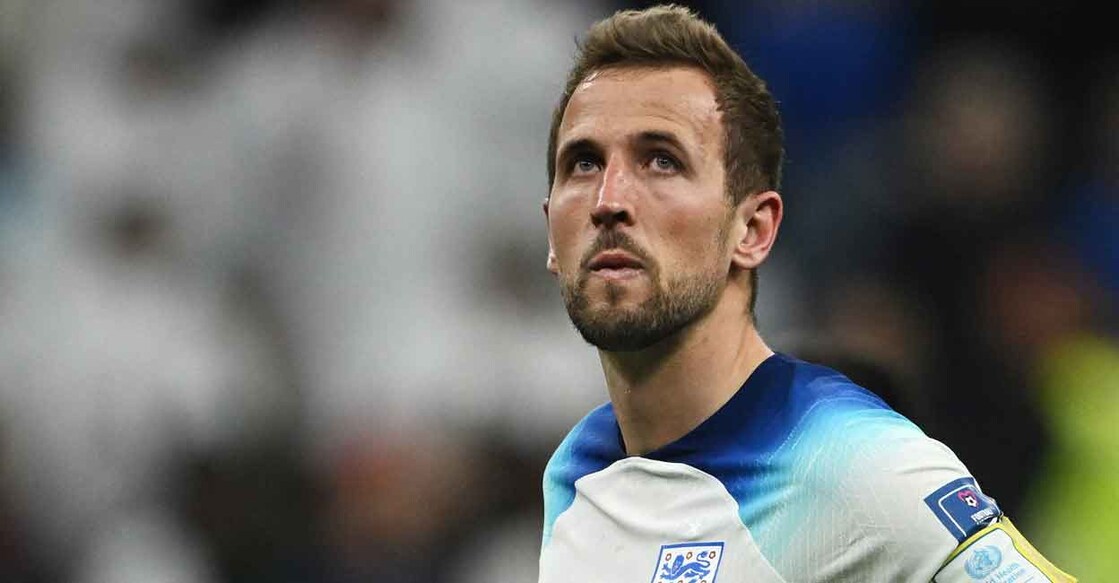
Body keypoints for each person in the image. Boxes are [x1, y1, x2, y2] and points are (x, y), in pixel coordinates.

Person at [537, 6, 1075, 582]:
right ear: (551, 234)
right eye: (584, 163)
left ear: (754, 230)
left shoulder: (857, 464)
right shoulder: (576, 473)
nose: (608, 199)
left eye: (662, 160)